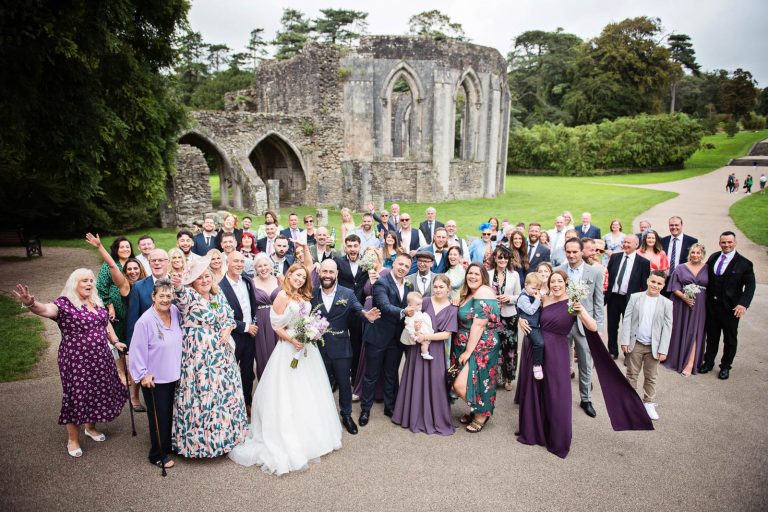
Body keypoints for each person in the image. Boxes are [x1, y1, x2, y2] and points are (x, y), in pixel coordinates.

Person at [516, 270, 653, 458]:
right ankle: (535, 432)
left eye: (559, 282)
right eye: (552, 282)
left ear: (566, 283)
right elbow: (526, 310)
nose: (556, 285)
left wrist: (581, 311)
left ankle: (557, 438)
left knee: (557, 393)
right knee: (536, 389)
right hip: (537, 349)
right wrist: (521, 319)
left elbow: (593, 327)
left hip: (557, 351)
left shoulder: (573, 303)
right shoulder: (544, 298)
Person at [229, 263, 342, 474]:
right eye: (296, 275)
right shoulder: (282, 296)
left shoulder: (304, 295)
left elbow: (306, 319)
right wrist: (293, 340)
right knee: (289, 391)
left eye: (302, 276)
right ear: (288, 276)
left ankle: (312, 433)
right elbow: (276, 326)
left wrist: (311, 331)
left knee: (310, 390)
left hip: (307, 350)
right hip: (289, 348)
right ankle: (289, 435)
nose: (299, 279)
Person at [14, 271, 128, 458]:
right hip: (76, 359)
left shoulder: (96, 302)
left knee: (96, 391)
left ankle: (90, 428)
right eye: (85, 280)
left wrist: (115, 341)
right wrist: (31, 303)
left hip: (101, 357)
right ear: (74, 282)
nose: (89, 283)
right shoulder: (65, 303)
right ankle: (73, 439)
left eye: (91, 280)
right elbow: (45, 310)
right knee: (76, 395)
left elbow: (105, 324)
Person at [170, 257, 248, 458]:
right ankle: (201, 444)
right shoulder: (189, 296)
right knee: (203, 395)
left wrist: (228, 327)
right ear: (192, 282)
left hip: (222, 356)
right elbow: (178, 293)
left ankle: (227, 437)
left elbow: (230, 315)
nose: (204, 280)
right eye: (199, 278)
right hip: (199, 357)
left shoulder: (217, 294)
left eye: (206, 276)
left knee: (223, 396)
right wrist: (177, 283)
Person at [312, 259, 380, 435]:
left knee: (344, 384)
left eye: (331, 272)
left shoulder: (347, 293)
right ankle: (321, 417)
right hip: (317, 349)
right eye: (324, 271)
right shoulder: (311, 293)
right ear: (319, 273)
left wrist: (367, 315)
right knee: (320, 384)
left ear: (337, 274)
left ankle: (346, 415)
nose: (327, 275)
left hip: (341, 348)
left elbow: (359, 310)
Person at [85, 233, 146, 411]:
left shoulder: (143, 278)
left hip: (138, 322)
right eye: (122, 247)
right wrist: (109, 306)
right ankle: (121, 373)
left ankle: (134, 396)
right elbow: (105, 281)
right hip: (118, 314)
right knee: (119, 344)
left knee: (137, 359)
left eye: (128, 246)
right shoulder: (119, 276)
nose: (126, 249)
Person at [392, 275, 458, 435]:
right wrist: (415, 327)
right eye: (435, 286)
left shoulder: (452, 308)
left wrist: (426, 337)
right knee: (415, 380)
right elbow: (411, 315)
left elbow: (446, 334)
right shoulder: (425, 301)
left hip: (435, 349)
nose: (438, 290)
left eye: (442, 287)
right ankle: (411, 415)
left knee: (435, 383)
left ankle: (434, 417)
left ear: (449, 288)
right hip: (417, 347)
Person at [128, 280, 183, 469]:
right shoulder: (145, 321)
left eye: (169, 296)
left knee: (170, 414)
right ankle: (157, 454)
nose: (166, 300)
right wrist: (143, 374)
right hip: (154, 377)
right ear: (153, 297)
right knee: (159, 416)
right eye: (162, 296)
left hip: (174, 373)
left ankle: (168, 446)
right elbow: (136, 351)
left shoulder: (175, 312)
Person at [359, 253, 413, 427]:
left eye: (406, 266)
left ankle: (390, 407)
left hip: (395, 338)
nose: (403, 268)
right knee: (371, 375)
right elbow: (383, 306)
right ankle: (365, 410)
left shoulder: (409, 285)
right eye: (400, 264)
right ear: (393, 263)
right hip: (377, 336)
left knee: (391, 374)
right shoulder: (381, 282)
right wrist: (405, 312)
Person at [451, 263, 501, 433]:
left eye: (476, 274)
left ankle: (482, 414)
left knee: (461, 384)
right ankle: (476, 410)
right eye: (469, 273)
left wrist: (468, 351)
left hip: (481, 345)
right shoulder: (470, 293)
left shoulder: (484, 291)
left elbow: (479, 325)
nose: (472, 276)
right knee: (473, 382)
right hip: (470, 343)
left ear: (483, 277)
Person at [557, 238, 604, 418]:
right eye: (568, 252)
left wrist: (598, 328)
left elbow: (598, 302)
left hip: (585, 324)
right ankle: (561, 397)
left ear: (582, 251)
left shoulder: (594, 273)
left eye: (575, 251)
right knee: (560, 362)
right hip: (562, 324)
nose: (571, 255)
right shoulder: (558, 271)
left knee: (585, 363)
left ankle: (586, 399)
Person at [700, 232, 756, 379]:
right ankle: (708, 362)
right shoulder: (713, 257)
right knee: (712, 337)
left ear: (735, 243)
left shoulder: (744, 263)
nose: (726, 245)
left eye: (729, 242)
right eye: (723, 242)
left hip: (731, 309)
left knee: (730, 339)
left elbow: (750, 286)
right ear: (719, 243)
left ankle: (725, 366)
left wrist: (743, 304)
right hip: (711, 306)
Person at [620, 271, 673, 421]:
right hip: (635, 343)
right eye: (653, 281)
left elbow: (668, 327)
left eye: (659, 283)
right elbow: (627, 319)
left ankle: (648, 403)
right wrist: (625, 340)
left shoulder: (667, 303)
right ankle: (629, 402)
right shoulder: (636, 297)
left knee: (651, 376)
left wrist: (663, 349)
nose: (655, 285)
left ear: (663, 285)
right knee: (631, 374)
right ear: (648, 281)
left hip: (653, 347)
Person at [219, 251, 259, 415]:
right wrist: (244, 326)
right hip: (233, 335)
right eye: (235, 261)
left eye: (242, 261)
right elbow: (222, 315)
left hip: (250, 335)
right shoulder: (220, 287)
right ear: (227, 262)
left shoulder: (247, 281)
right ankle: (230, 404)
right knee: (230, 370)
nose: (239, 264)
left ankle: (247, 402)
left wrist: (253, 324)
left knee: (248, 371)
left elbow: (252, 306)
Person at [664, 243, 708, 376]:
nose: (695, 255)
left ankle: (690, 363)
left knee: (695, 332)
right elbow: (673, 287)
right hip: (681, 304)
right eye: (693, 252)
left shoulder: (707, 268)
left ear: (702, 254)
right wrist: (685, 298)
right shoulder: (681, 268)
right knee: (680, 330)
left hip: (700, 306)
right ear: (690, 254)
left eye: (698, 253)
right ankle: (675, 358)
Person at [606, 235, 651, 359]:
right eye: (624, 242)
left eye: (628, 243)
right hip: (614, 298)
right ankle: (612, 351)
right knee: (612, 326)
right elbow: (609, 277)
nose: (625, 245)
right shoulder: (615, 257)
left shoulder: (643, 263)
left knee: (630, 328)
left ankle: (628, 353)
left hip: (630, 300)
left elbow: (644, 285)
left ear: (636, 245)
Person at [487, 246, 521, 391]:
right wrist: (492, 299)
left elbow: (519, 295)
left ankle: (508, 378)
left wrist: (510, 298)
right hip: (492, 316)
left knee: (510, 348)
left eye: (505, 257)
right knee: (494, 346)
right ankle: (495, 378)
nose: (502, 260)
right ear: (494, 258)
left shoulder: (515, 275)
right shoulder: (488, 274)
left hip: (510, 316)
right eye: (500, 257)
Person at [251, 253, 281, 380]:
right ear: (255, 269)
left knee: (279, 355)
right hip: (260, 323)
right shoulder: (251, 283)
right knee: (263, 355)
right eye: (259, 266)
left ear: (271, 266)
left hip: (278, 322)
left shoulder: (279, 280)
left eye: (265, 265)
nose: (263, 268)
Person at [517, 273, 544, 380]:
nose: (535, 291)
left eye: (538, 289)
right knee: (539, 343)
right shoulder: (524, 297)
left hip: (535, 325)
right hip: (530, 325)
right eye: (533, 288)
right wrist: (538, 300)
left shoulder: (531, 294)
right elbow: (531, 311)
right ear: (526, 285)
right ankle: (537, 365)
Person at [400, 292, 434, 360]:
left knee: (425, 341)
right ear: (410, 305)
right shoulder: (410, 312)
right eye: (418, 304)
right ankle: (424, 353)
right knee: (425, 342)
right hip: (413, 330)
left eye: (421, 304)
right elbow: (409, 323)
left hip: (418, 329)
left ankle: (424, 352)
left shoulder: (417, 311)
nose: (420, 306)